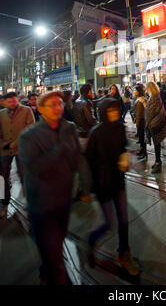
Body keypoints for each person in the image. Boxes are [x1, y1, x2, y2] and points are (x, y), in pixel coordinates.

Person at [18, 91, 90, 285]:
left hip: (64, 198)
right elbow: (35, 167)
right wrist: (60, 149)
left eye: (59, 104)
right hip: (42, 203)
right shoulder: (28, 136)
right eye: (52, 105)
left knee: (55, 243)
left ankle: (45, 270)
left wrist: (86, 185)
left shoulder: (69, 128)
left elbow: (78, 158)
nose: (58, 108)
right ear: (40, 109)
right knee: (56, 256)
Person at [85, 98, 139, 276]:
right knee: (109, 223)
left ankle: (123, 253)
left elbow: (124, 146)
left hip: (118, 180)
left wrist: (125, 155)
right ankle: (91, 240)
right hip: (102, 184)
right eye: (110, 111)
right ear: (102, 112)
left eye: (116, 110)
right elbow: (87, 161)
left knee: (123, 220)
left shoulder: (120, 128)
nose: (114, 113)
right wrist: (86, 188)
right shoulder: (96, 133)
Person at [0, 92, 35, 219]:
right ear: (6, 102)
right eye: (9, 102)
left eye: (14, 101)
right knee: (2, 178)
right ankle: (4, 204)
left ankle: (31, 205)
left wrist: (13, 144)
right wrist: (4, 144)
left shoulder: (26, 110)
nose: (12, 104)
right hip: (4, 151)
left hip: (21, 149)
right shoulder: (1, 113)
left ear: (17, 100)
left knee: (25, 176)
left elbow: (30, 128)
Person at [145, 82, 166, 173]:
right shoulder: (155, 96)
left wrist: (145, 106)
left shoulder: (154, 97)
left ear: (150, 88)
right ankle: (157, 161)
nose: (146, 90)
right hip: (156, 123)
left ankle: (158, 162)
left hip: (155, 124)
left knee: (157, 144)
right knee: (157, 143)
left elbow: (150, 111)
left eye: (146, 88)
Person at [72, 84, 98, 150]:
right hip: (87, 134)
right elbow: (91, 120)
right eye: (91, 91)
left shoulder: (77, 101)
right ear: (89, 91)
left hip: (79, 134)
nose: (92, 93)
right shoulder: (86, 103)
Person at [133, 85, 148, 160]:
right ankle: (142, 150)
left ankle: (144, 153)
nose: (134, 92)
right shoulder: (138, 98)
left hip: (142, 121)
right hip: (139, 120)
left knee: (142, 138)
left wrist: (138, 122)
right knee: (141, 137)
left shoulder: (142, 99)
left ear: (139, 91)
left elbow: (145, 110)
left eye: (135, 90)